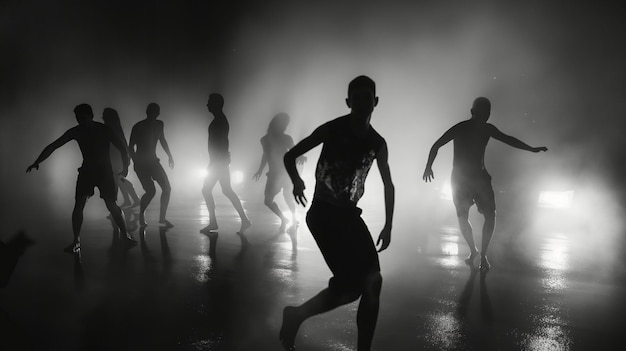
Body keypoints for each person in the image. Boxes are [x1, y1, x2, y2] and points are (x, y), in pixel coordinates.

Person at [279, 76, 395, 351]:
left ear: (375, 102)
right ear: (348, 102)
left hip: (349, 217)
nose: (362, 103)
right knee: (351, 287)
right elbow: (290, 155)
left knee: (372, 282)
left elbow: (388, 184)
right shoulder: (332, 129)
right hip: (324, 215)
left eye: (367, 98)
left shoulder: (377, 143)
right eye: (357, 98)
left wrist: (389, 225)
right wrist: (296, 180)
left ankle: (360, 348)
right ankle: (297, 315)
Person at [423, 97, 547, 271]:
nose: (485, 116)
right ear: (473, 112)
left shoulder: (487, 129)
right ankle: (474, 250)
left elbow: (509, 139)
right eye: (482, 113)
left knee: (490, 215)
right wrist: (429, 166)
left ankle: (482, 255)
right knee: (462, 216)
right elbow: (436, 145)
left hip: (480, 178)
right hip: (461, 179)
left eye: (487, 113)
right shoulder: (461, 128)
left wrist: (531, 149)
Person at [26, 103, 137, 252]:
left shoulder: (103, 130)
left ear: (91, 116)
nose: (81, 121)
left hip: (104, 172)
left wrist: (126, 167)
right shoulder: (77, 131)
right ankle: (76, 241)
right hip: (87, 172)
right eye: (78, 118)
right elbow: (53, 146)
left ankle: (125, 236)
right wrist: (37, 161)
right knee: (79, 205)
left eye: (83, 118)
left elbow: (122, 148)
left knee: (112, 205)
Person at [201, 93, 251, 235]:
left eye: (210, 102)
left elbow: (221, 142)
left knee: (207, 190)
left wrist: (217, 161)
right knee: (226, 190)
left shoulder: (220, 121)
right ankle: (243, 219)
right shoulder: (220, 120)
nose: (207, 105)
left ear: (216, 104)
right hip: (219, 161)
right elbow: (223, 141)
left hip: (218, 161)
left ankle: (214, 222)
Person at [252, 113, 305, 233]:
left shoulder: (286, 138)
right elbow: (266, 155)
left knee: (288, 198)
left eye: (286, 125)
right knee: (268, 200)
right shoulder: (265, 140)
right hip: (275, 174)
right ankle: (285, 219)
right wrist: (260, 169)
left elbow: (294, 152)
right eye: (284, 124)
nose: (285, 127)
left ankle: (292, 219)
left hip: (285, 173)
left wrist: (301, 157)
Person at [128, 103, 174, 227]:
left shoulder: (159, 124)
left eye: (155, 112)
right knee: (150, 191)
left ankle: (162, 218)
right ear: (147, 112)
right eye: (152, 112)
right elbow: (130, 147)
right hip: (142, 163)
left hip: (153, 161)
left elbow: (162, 140)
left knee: (167, 188)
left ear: (158, 114)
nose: (153, 115)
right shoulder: (138, 126)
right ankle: (142, 214)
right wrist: (136, 161)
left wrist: (170, 155)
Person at [102, 108, 140, 209]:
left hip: (116, 158)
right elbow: (123, 144)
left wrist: (126, 158)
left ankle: (133, 200)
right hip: (117, 158)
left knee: (119, 179)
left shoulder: (110, 129)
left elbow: (121, 145)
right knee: (120, 179)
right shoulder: (116, 128)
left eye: (104, 115)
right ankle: (130, 200)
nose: (102, 117)